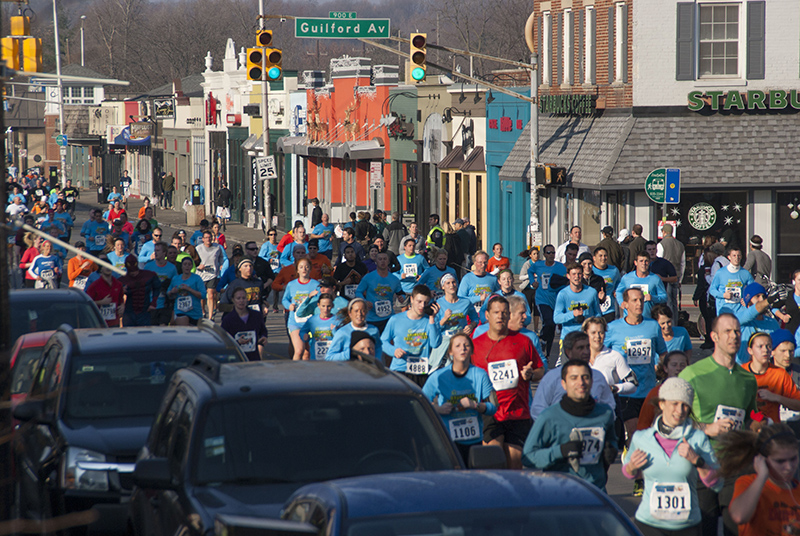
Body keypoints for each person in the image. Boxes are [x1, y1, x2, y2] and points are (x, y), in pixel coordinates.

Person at [678, 313, 759, 536]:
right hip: (703, 463)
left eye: (737, 331)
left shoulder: (748, 378)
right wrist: (707, 428)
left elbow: (749, 417)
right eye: (727, 331)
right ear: (713, 336)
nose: (733, 336)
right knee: (706, 529)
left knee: (737, 527)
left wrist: (760, 430)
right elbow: (671, 421)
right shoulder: (692, 374)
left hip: (737, 463)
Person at [623, 377, 721, 536]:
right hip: (649, 523)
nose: (680, 410)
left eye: (685, 405)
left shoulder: (697, 439)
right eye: (674, 403)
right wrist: (632, 467)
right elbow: (627, 473)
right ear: (662, 404)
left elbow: (716, 482)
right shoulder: (642, 438)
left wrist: (698, 461)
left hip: (687, 524)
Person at [523, 359, 618, 491]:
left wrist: (610, 449)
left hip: (595, 490)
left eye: (585, 377)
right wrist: (560, 451)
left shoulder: (604, 414)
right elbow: (528, 457)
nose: (581, 383)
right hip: (559, 492)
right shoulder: (549, 417)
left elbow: (612, 441)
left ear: (591, 381)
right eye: (574, 378)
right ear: (564, 384)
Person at [472, 296, 545, 468]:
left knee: (515, 463)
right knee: (493, 461)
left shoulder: (524, 341)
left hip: (517, 411)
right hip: (489, 412)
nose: (500, 316)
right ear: (487, 315)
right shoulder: (475, 345)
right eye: (496, 312)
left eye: (504, 313)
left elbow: (540, 370)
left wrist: (531, 374)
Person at [606, 287, 668, 447]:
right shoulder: (613, 328)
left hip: (648, 389)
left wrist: (662, 371)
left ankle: (635, 462)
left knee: (646, 435)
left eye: (641, 299)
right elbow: (602, 354)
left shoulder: (653, 326)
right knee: (634, 433)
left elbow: (663, 353)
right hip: (626, 391)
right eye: (634, 300)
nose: (639, 303)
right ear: (624, 304)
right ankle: (632, 465)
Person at [423, 333, 497, 461]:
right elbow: (421, 403)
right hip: (448, 441)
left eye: (466, 345)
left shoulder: (480, 375)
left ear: (472, 350)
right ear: (450, 352)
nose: (463, 348)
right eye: (458, 346)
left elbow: (493, 406)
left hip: (474, 442)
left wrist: (475, 405)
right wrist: (438, 409)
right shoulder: (438, 376)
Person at [718, 423, 800, 536]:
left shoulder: (796, 491)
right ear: (762, 459)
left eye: (793, 459)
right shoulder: (748, 483)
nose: (789, 467)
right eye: (780, 461)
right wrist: (762, 476)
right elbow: (739, 516)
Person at [530, 330, 617, 420]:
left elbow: (609, 407)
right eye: (580, 348)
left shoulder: (598, 377)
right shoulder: (552, 377)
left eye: (588, 347)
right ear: (568, 352)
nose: (586, 352)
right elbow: (538, 410)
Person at [381, 285, 442, 384]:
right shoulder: (396, 320)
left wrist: (432, 319)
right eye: (419, 301)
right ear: (412, 299)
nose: (422, 306)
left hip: (421, 370)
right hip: (400, 368)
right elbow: (383, 341)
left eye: (425, 302)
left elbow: (435, 344)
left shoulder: (431, 321)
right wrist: (394, 351)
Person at [742, 331, 800, 424]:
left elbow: (798, 404)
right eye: (760, 346)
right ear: (750, 350)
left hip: (772, 430)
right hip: (746, 429)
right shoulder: (741, 373)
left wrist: (776, 398)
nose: (765, 350)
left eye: (768, 346)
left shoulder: (780, 374)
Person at [429, 273, 478, 370]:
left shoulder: (466, 302)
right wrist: (444, 319)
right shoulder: (438, 304)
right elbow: (434, 327)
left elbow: (475, 318)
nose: (451, 285)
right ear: (443, 287)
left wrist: (471, 326)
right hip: (443, 340)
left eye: (453, 282)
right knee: (436, 369)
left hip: (460, 340)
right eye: (448, 283)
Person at [528, 244, 567, 358]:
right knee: (549, 322)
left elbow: (567, 278)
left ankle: (547, 351)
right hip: (542, 299)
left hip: (555, 300)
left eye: (553, 253)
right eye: (548, 253)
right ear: (544, 255)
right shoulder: (538, 265)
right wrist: (532, 282)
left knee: (552, 327)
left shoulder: (560, 267)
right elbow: (530, 272)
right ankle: (543, 338)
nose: (551, 255)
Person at [637, 351, 691, 431]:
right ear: (665, 368)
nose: (678, 368)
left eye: (682, 365)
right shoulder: (656, 392)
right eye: (674, 365)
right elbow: (644, 422)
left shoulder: (692, 391)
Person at [584, 317, 637, 396]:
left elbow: (633, 384)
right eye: (593, 333)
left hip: (608, 405)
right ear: (586, 334)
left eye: (601, 332)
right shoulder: (579, 357)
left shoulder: (615, 356)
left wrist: (613, 388)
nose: (598, 336)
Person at [554, 262, 601, 347]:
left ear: (582, 275)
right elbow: (556, 318)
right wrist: (572, 314)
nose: (577, 277)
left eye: (579, 274)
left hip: (587, 338)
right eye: (574, 274)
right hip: (568, 338)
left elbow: (598, 314)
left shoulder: (592, 292)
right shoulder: (563, 294)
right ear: (568, 276)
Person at [356, 251, 404, 332]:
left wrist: (402, 297)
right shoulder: (368, 277)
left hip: (388, 318)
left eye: (385, 259)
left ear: (388, 262)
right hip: (372, 318)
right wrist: (364, 301)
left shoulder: (394, 279)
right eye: (380, 259)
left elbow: (401, 293)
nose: (382, 261)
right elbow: (358, 292)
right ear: (376, 261)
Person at [733, 282, 780, 365]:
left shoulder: (773, 323)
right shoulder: (739, 319)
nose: (761, 299)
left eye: (763, 296)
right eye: (757, 296)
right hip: (742, 372)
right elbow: (752, 311)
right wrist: (768, 300)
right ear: (748, 301)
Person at [283, 257, 320, 360]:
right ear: (297, 270)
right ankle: (294, 373)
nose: (304, 269)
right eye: (301, 267)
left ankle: (305, 374)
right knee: (299, 350)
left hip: (310, 322)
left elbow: (320, 302)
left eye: (306, 267)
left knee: (307, 353)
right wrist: (288, 306)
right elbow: (284, 300)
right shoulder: (291, 285)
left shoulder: (316, 284)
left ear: (310, 269)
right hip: (295, 322)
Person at [221, 287, 268, 361]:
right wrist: (237, 342)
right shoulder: (228, 319)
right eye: (238, 298)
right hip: (236, 359)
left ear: (247, 299)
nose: (241, 301)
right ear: (233, 300)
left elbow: (263, 330)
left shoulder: (256, 316)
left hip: (253, 358)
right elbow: (223, 340)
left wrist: (263, 337)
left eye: (243, 298)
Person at [709, 246, 754, 316]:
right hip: (724, 311)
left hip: (740, 311)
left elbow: (753, 289)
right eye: (734, 255)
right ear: (729, 257)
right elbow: (712, 290)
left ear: (741, 257)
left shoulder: (745, 273)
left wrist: (747, 299)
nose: (736, 258)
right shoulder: (720, 273)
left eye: (739, 255)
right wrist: (723, 295)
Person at [119, 255, 160, 327]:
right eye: (131, 271)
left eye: (134, 271)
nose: (133, 273)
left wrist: (153, 303)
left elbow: (157, 287)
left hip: (145, 311)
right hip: (129, 313)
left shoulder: (148, 275)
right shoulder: (122, 280)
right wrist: (121, 292)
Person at [144, 242, 178, 326]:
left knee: (163, 327)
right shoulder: (148, 266)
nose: (155, 253)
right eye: (155, 250)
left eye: (158, 251)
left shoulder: (172, 268)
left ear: (164, 253)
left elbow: (176, 284)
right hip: (151, 304)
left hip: (165, 304)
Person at [86, 257, 125, 327]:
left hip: (114, 322)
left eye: (109, 266)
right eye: (105, 266)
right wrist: (101, 302)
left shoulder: (118, 284)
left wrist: (122, 306)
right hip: (99, 322)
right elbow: (87, 303)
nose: (108, 268)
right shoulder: (94, 286)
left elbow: (121, 301)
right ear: (101, 270)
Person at [196, 230, 226, 320]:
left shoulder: (217, 247)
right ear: (203, 239)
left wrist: (221, 264)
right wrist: (198, 266)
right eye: (206, 238)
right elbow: (194, 261)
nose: (208, 239)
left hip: (212, 274)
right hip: (201, 274)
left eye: (210, 237)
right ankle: (203, 311)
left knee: (211, 295)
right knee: (202, 296)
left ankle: (210, 316)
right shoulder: (198, 248)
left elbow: (221, 257)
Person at [167, 257, 207, 326]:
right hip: (180, 310)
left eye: (189, 264)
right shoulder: (176, 279)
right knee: (184, 330)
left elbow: (203, 295)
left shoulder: (197, 278)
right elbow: (168, 294)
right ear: (182, 266)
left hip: (195, 313)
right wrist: (172, 291)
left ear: (192, 266)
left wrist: (189, 289)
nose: (187, 266)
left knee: (193, 334)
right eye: (185, 264)